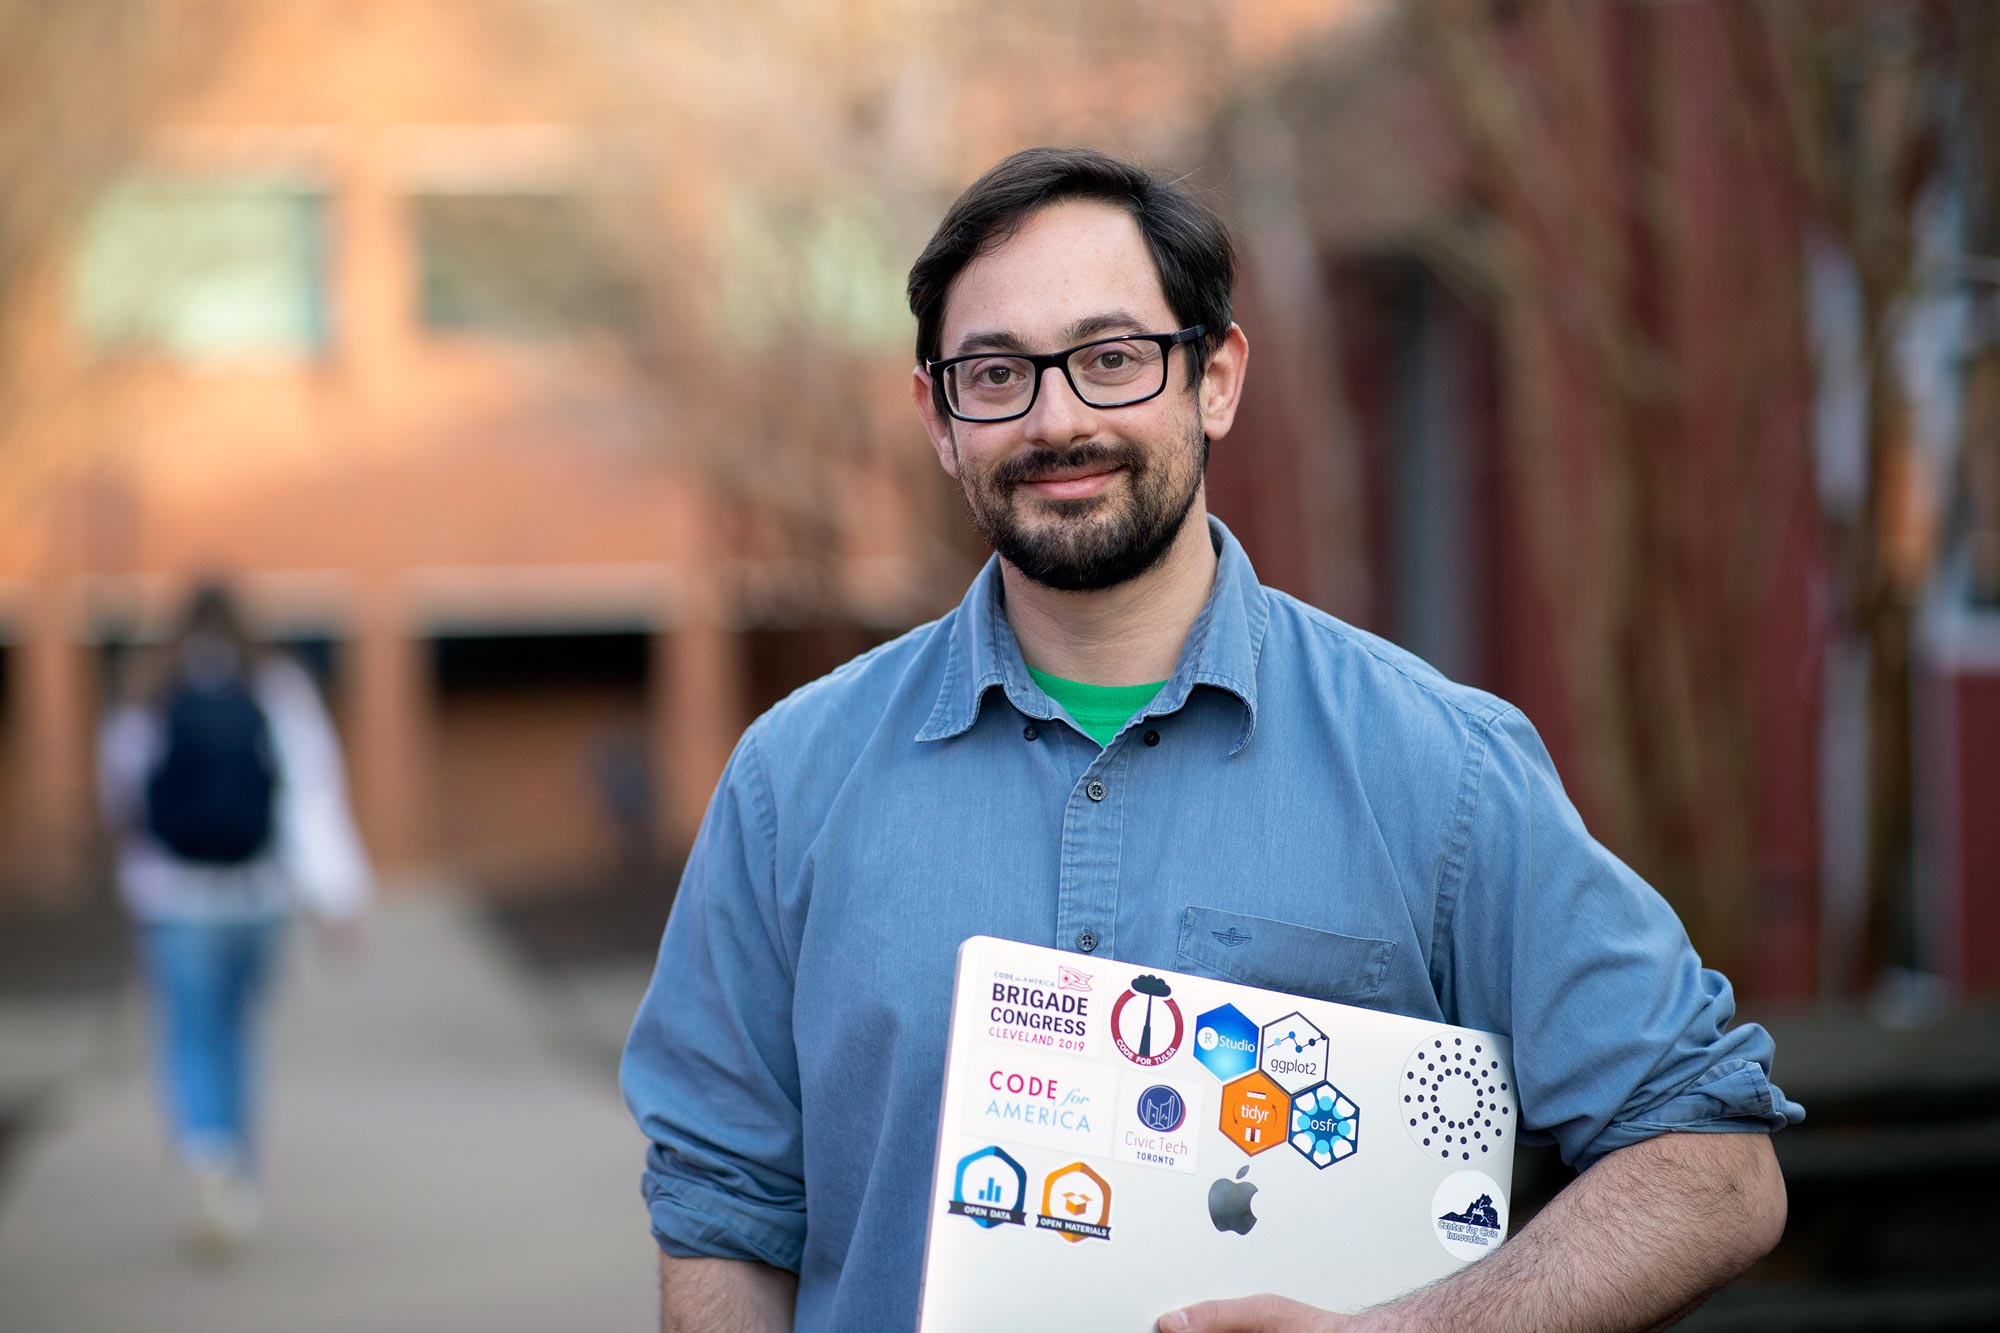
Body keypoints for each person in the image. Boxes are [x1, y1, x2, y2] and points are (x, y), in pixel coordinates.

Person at [620, 147, 1801, 1332]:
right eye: (995, 373)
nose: (1057, 417)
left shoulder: (1443, 771)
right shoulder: (790, 782)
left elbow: (1711, 1166)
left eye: (1113, 357)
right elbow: (722, 1217)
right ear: (939, 416)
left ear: (1216, 377)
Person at [98, 578, 371, 1256]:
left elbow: (122, 796)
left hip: (174, 899)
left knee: (190, 1034)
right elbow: (311, 795)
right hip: (258, 898)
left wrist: (135, 878)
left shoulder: (148, 691)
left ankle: (205, 1152)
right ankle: (235, 1178)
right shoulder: (275, 686)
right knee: (235, 1034)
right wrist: (337, 898)